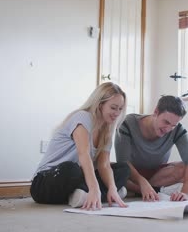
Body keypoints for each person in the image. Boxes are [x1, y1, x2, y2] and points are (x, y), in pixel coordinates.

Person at [30, 82, 130, 210]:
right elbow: (84, 155)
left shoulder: (107, 130)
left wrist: (112, 187)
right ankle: (92, 193)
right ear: (100, 105)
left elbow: (104, 165)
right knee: (72, 169)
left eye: (120, 109)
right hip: (46, 182)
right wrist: (95, 188)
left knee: (123, 168)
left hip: (77, 178)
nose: (117, 113)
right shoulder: (83, 117)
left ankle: (89, 194)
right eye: (113, 107)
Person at [115, 95, 188, 202]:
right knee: (111, 170)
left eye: (173, 125)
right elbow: (123, 162)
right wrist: (142, 182)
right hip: (131, 174)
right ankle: (152, 190)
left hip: (157, 174)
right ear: (156, 112)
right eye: (166, 122)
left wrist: (185, 193)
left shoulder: (178, 130)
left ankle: (140, 190)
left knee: (184, 168)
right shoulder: (127, 123)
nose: (168, 129)